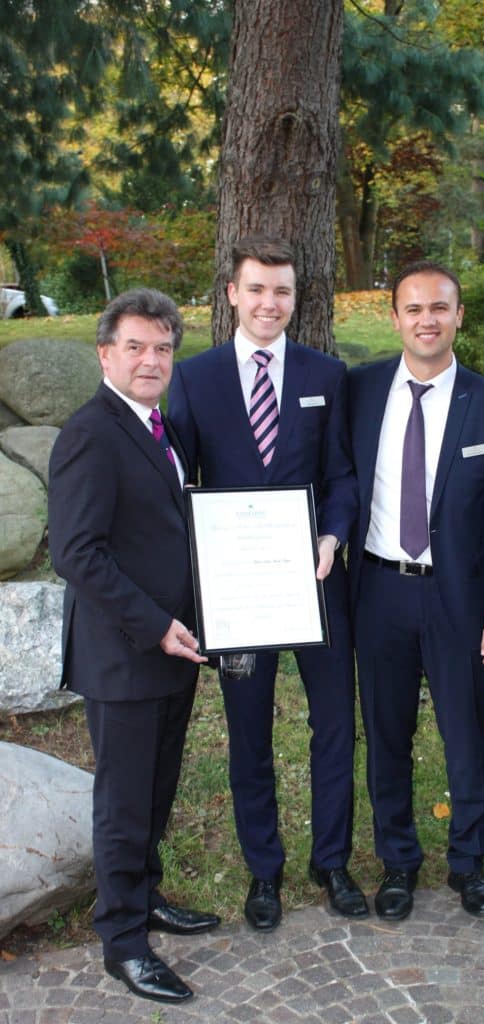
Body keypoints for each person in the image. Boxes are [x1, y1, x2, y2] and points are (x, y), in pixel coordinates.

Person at [168, 236, 366, 930]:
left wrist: (332, 535)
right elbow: (178, 480)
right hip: (238, 596)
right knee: (249, 731)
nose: (269, 303)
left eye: (281, 291)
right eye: (256, 289)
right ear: (232, 293)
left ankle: (331, 859)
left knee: (335, 724)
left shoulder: (325, 374)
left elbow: (342, 475)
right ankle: (264, 871)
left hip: (314, 582)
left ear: (296, 297)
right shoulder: (195, 379)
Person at [48, 289, 217, 1005]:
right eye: (136, 347)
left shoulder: (162, 430)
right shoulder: (91, 432)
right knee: (124, 803)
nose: (152, 360)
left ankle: (144, 896)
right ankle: (122, 941)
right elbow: (77, 554)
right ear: (105, 354)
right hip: (126, 654)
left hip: (175, 650)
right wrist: (154, 625)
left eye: (163, 348)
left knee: (155, 792)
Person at [347, 260, 484, 921]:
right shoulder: (360, 391)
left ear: (459, 316)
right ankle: (398, 862)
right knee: (387, 733)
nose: (427, 319)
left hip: (459, 599)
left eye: (440, 308)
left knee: (465, 733)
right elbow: (339, 481)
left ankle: (468, 862)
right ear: (394, 317)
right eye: (414, 308)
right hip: (379, 592)